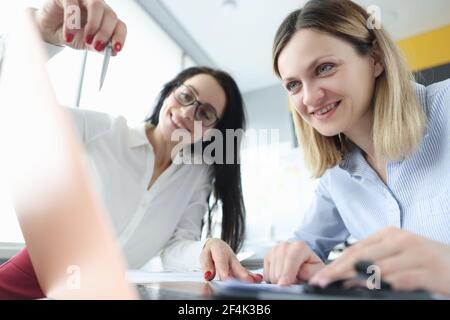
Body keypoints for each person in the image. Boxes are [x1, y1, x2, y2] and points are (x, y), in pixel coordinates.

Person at [0, 0, 260, 300]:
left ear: (214, 131)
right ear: (168, 93)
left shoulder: (196, 175)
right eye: (186, 95)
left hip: (113, 291)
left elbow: (176, 247)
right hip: (39, 275)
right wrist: (40, 34)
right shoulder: (101, 130)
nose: (189, 113)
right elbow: (14, 107)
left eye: (205, 113)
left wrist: (207, 247)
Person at [202, 0, 450, 296]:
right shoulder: (337, 178)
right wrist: (288, 261)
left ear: (375, 58)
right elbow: (301, 251)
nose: (310, 97)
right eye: (293, 85)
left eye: (325, 68)